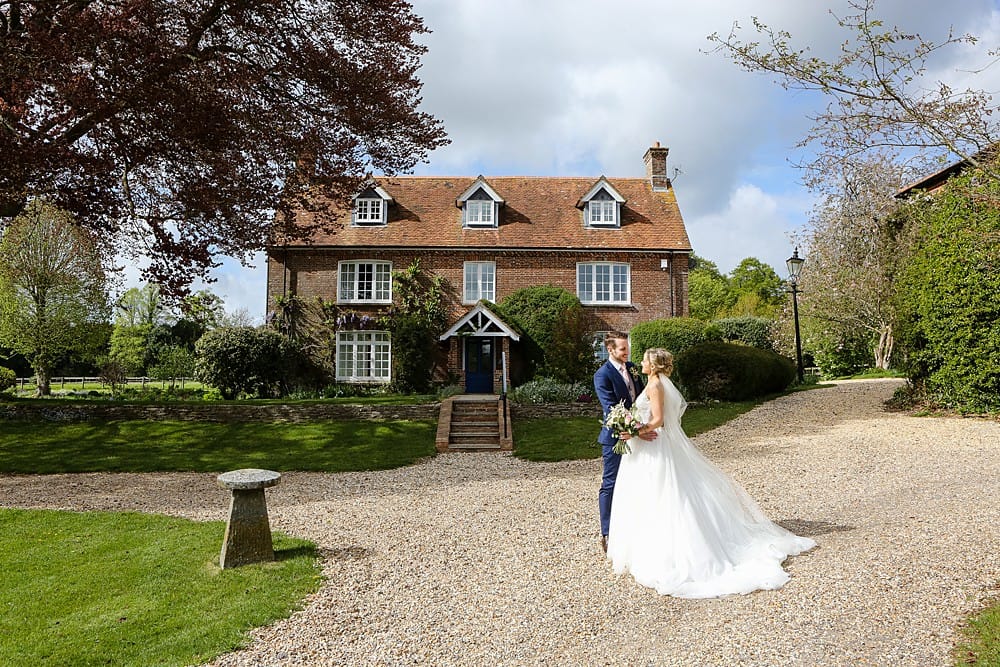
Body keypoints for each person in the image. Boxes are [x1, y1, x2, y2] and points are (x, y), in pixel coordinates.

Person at [607, 347, 816, 598]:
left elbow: (659, 420)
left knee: (663, 492)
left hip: (655, 445)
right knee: (654, 493)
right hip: (650, 445)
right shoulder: (657, 383)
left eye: (644, 360)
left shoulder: (655, 385)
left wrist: (634, 431)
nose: (640, 362)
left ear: (653, 365)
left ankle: (676, 550)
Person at [594, 331, 655, 554]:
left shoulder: (632, 368)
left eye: (627, 347)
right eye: (622, 349)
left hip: (637, 434)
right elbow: (612, 409)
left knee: (638, 480)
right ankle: (607, 533)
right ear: (610, 350)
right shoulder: (602, 375)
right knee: (610, 483)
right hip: (616, 437)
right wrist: (636, 431)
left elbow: (640, 399)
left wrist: (645, 425)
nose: (626, 352)